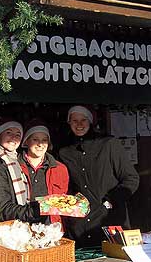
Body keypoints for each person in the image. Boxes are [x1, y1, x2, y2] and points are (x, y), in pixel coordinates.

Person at [58, 105, 139, 246]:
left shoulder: (108, 144)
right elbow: (65, 184)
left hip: (109, 219)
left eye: (83, 120)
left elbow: (131, 178)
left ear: (90, 122)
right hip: (80, 224)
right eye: (74, 120)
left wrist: (112, 200)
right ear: (69, 122)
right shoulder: (64, 151)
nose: (79, 124)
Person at [0, 117, 42, 223]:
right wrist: (34, 212)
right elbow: (3, 208)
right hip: (8, 226)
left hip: (21, 222)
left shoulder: (19, 160)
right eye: (9, 133)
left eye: (18, 134)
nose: (13, 138)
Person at [19, 119, 69, 225]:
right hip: (21, 225)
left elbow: (63, 202)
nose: (40, 144)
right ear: (26, 141)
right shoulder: (15, 166)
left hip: (50, 227)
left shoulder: (60, 169)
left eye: (44, 140)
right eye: (35, 139)